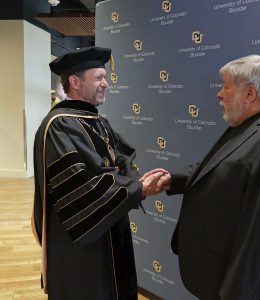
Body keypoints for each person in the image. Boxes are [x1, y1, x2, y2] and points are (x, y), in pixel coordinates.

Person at [141, 55, 260, 300]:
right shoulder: (249, 127)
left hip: (238, 286)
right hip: (216, 274)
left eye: (225, 86)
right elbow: (218, 169)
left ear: (249, 94)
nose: (219, 94)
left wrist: (233, 293)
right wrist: (173, 179)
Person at [32, 46, 163, 300]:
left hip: (108, 225)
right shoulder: (60, 125)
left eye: (106, 77)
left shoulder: (96, 120)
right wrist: (136, 188)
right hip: (82, 238)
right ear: (74, 81)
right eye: (99, 78)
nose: (106, 84)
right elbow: (78, 185)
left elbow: (121, 158)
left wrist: (135, 178)